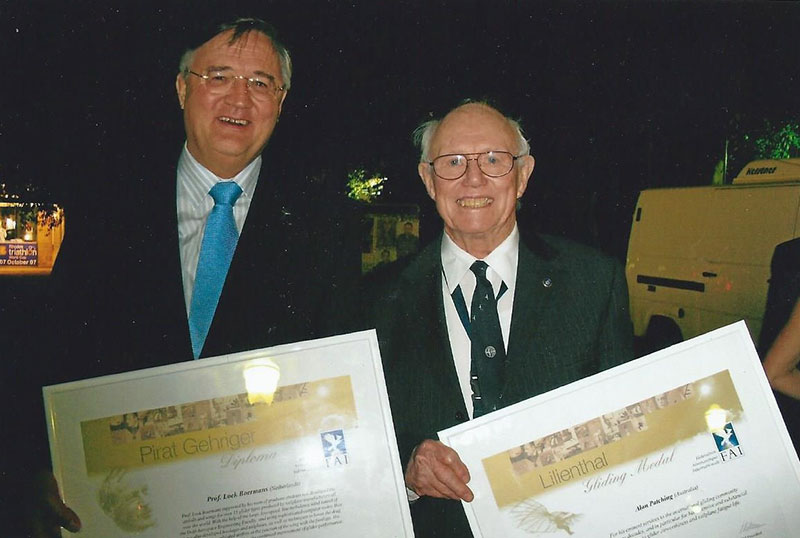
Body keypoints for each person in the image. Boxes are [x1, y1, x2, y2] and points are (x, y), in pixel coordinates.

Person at [16, 17, 354, 536]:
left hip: (265, 509)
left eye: (260, 83)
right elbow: (51, 344)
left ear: (281, 102)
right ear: (181, 88)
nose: (239, 101)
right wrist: (37, 464)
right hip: (122, 510)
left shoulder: (324, 230)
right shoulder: (109, 210)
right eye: (218, 77)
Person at [357, 101, 633, 536]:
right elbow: (356, 449)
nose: (473, 179)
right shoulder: (374, 300)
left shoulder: (594, 282)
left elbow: (627, 425)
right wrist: (406, 469)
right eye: (452, 162)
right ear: (428, 180)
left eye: (493, 160)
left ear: (523, 175)